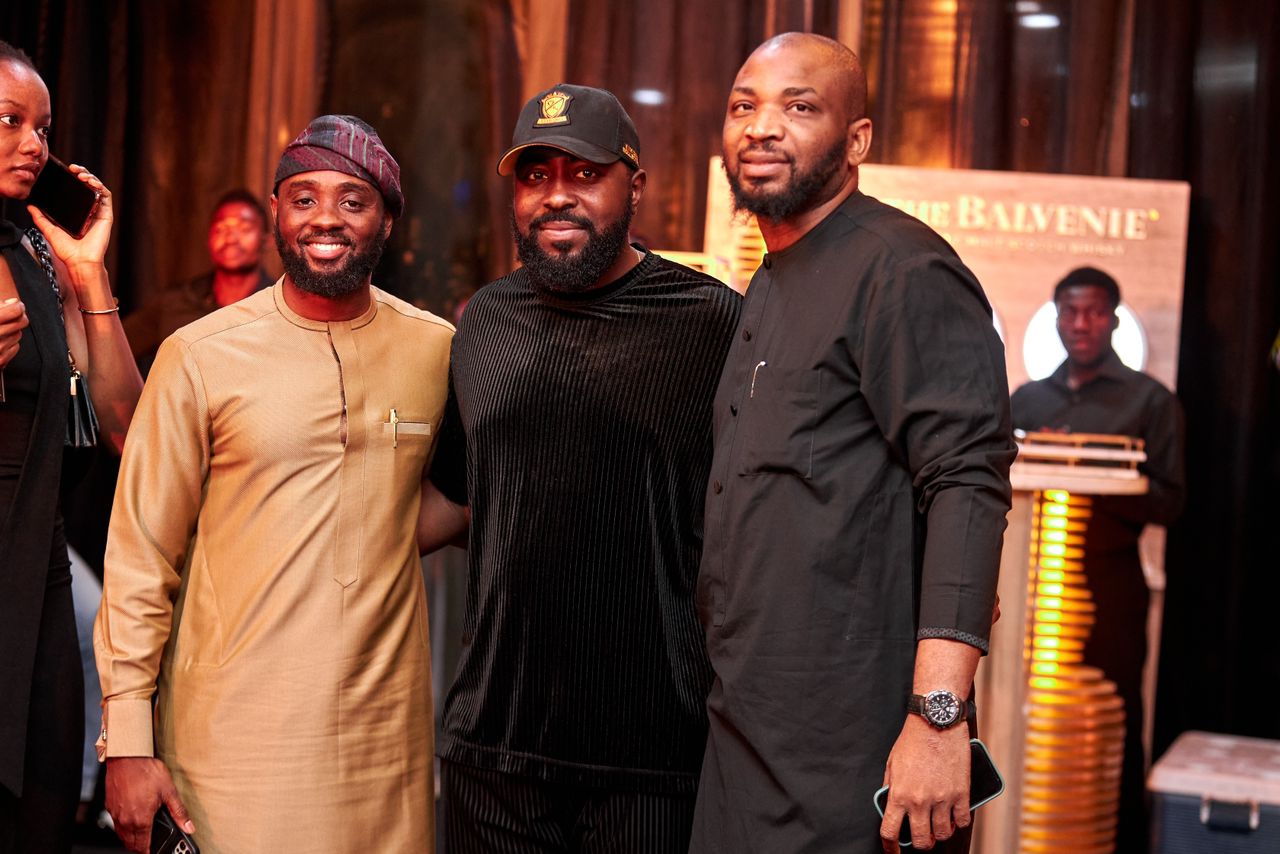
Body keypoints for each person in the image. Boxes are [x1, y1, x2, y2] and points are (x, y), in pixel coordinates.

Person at [690, 33, 1015, 853]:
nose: (762, 126)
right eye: (743, 106)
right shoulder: (770, 278)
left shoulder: (902, 268)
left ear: (857, 139)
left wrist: (938, 721)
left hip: (860, 759)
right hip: (748, 740)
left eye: (799, 107)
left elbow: (967, 483)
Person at [94, 115, 453, 853]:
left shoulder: (436, 349)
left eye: (353, 200)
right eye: (304, 198)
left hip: (385, 749)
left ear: (388, 219)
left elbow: (444, 496)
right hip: (232, 743)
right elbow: (141, 555)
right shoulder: (200, 355)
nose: (326, 219)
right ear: (277, 213)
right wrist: (127, 740)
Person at [419, 84, 741, 853]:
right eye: (536, 176)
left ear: (636, 186)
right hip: (492, 749)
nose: (556, 196)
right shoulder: (485, 321)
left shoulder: (712, 323)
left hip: (651, 758)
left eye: (585, 174)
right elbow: (460, 500)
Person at [0, 39, 142, 854]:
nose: (33, 144)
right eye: (9, 121)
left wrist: (87, 275)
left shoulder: (35, 255)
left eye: (43, 128)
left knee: (43, 800)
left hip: (38, 565)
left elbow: (124, 424)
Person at [1010, 265, 1185, 852]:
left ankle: (1120, 842)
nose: (1081, 323)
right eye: (1070, 311)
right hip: (1033, 590)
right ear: (1056, 319)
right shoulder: (1027, 400)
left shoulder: (1150, 401)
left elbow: (1170, 501)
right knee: (1022, 714)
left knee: (1114, 717)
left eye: (1094, 312)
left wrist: (1088, 471)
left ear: (1114, 319)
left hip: (1109, 591)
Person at [124, 188, 273, 373]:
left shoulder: (279, 307)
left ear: (267, 241)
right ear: (209, 238)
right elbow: (113, 350)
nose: (230, 238)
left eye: (244, 229)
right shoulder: (176, 302)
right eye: (221, 229)